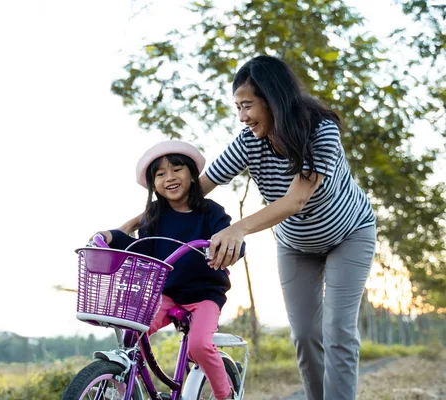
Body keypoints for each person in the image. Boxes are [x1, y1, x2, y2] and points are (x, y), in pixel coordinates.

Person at [118, 55, 377, 400]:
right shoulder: (248, 140)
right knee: (304, 334)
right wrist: (133, 223)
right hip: (296, 243)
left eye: (247, 106)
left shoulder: (320, 132)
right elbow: (198, 189)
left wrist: (236, 229)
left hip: (349, 235)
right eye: (238, 107)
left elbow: (294, 201)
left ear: (273, 99)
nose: (242, 117)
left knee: (338, 331)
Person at [96, 140, 244, 400]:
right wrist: (111, 236)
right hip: (168, 293)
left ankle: (225, 394)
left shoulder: (210, 212)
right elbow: (141, 248)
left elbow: (231, 240)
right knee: (134, 331)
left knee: (199, 345)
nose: (170, 178)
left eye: (177, 169)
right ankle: (124, 385)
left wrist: (230, 249)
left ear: (192, 174)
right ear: (154, 185)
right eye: (161, 174)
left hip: (205, 294)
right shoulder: (155, 215)